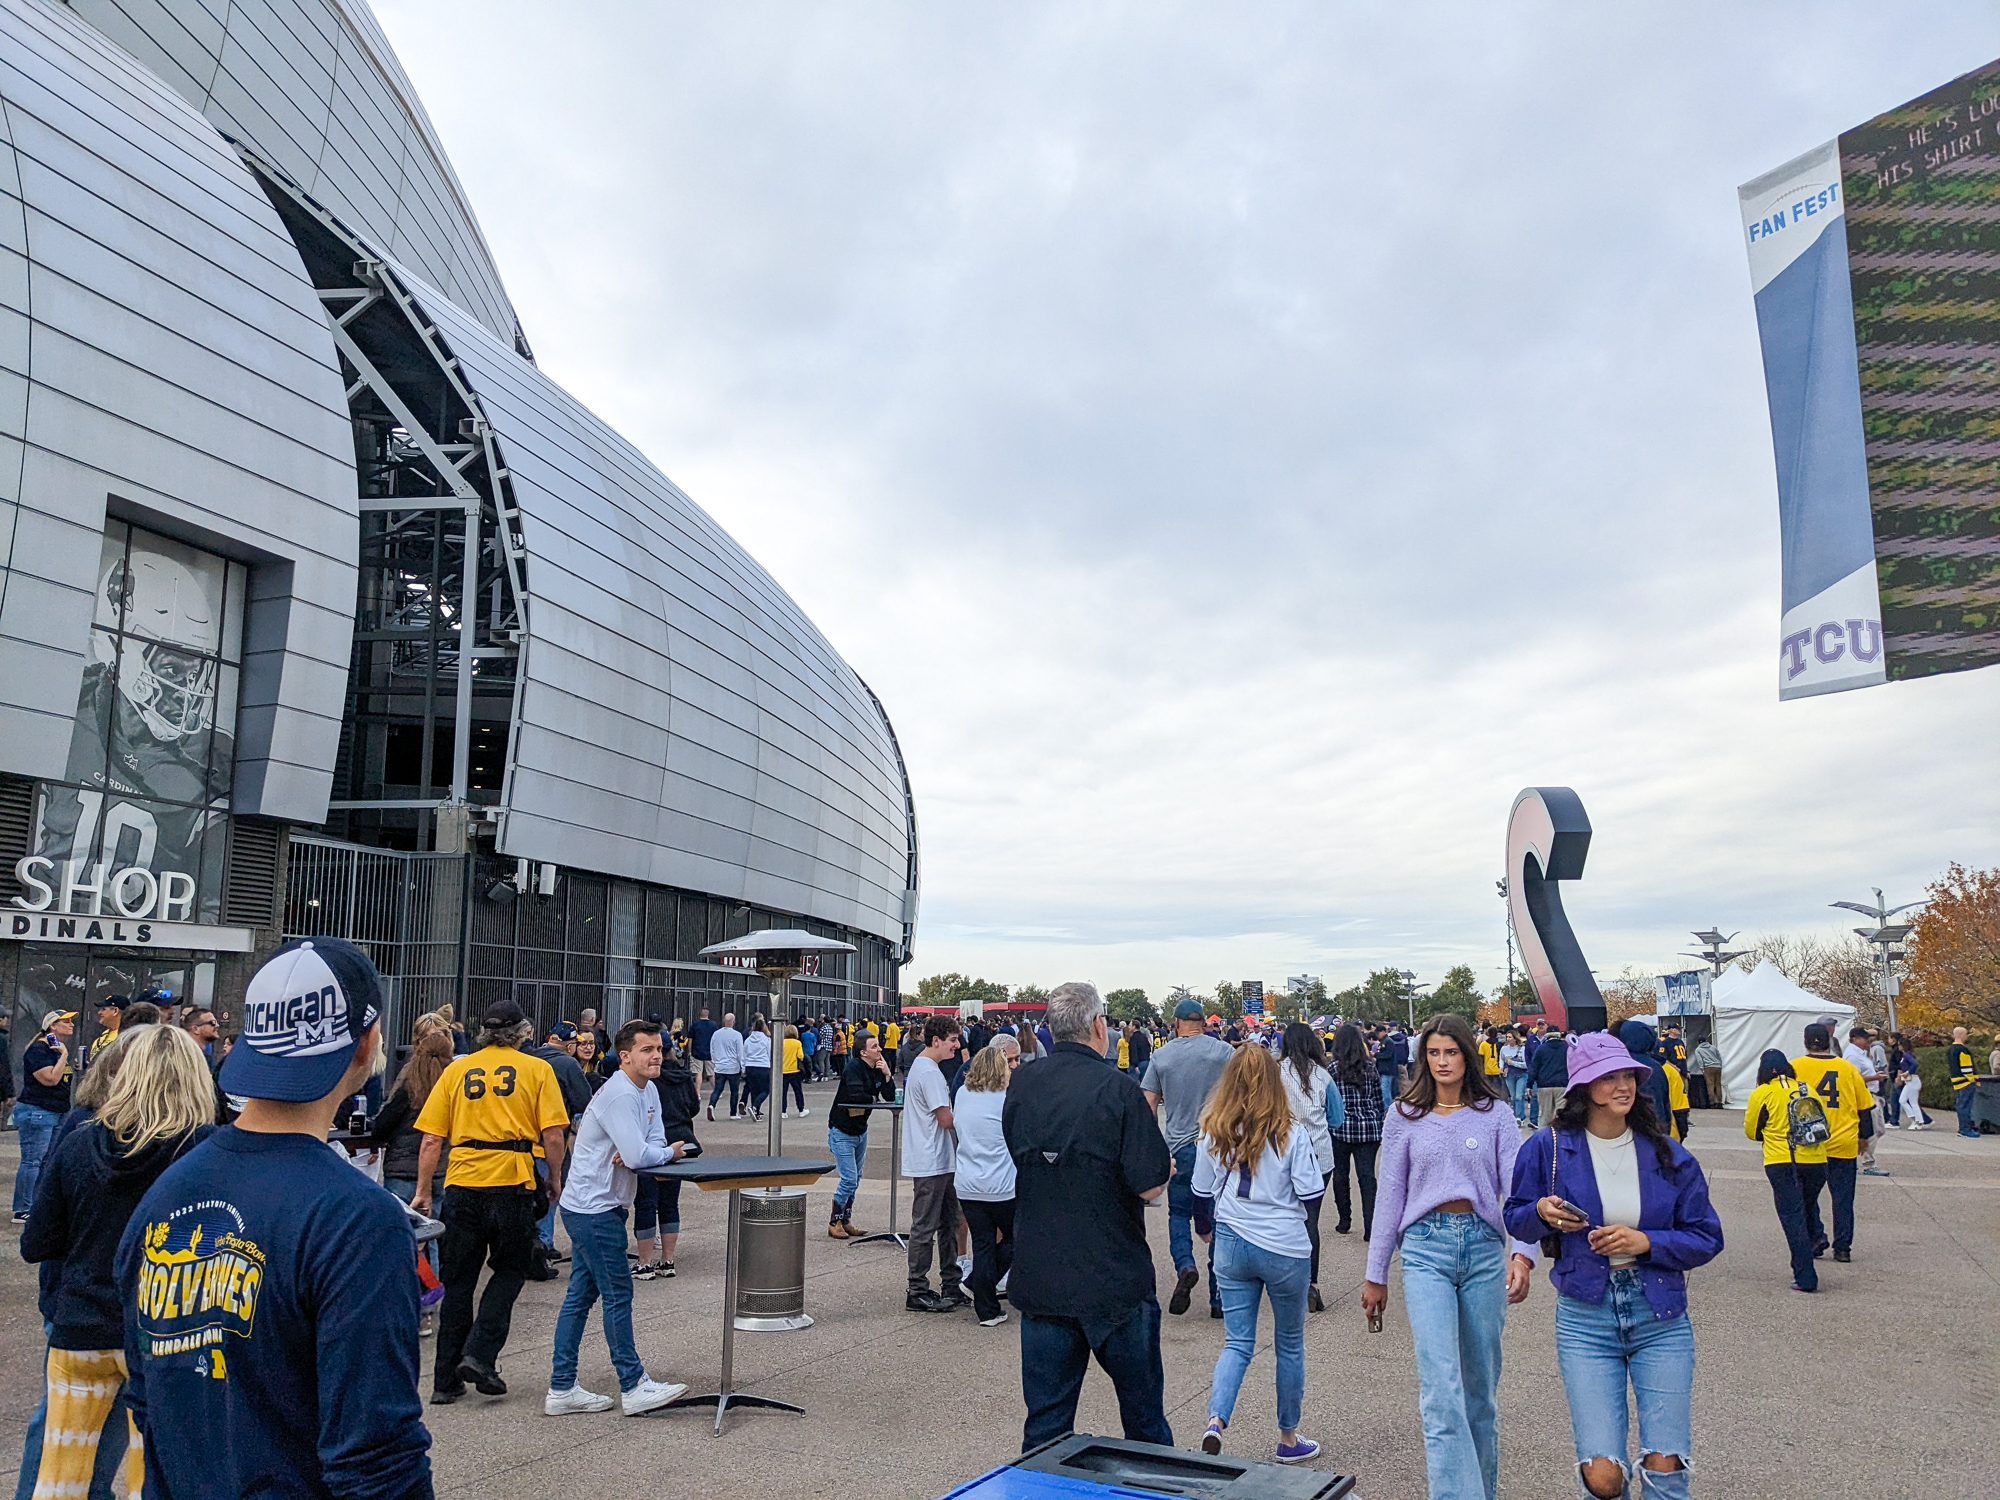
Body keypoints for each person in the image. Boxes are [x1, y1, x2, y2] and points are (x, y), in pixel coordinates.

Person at [115, 938, 433, 1500]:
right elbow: (377, 1453)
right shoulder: (357, 1219)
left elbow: (151, 1398)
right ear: (366, 1043)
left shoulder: (168, 1192)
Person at [1506, 1031, 1721, 1500]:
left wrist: (1648, 1242)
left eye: (1628, 1076)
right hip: (1586, 1319)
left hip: (1660, 1317)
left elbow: (1707, 1236)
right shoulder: (1548, 1147)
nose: (1623, 1086)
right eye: (1608, 1077)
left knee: (1665, 1463)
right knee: (1602, 1476)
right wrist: (1541, 1212)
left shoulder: (1667, 1153)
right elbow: (1515, 1216)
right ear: (1584, 1087)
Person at [22, 1025, 215, 1498]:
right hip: (162, 1333)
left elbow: (36, 1243)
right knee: (149, 1477)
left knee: (60, 1475)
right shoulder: (204, 1151)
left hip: (80, 1327)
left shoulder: (78, 1141)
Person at [1362, 1014, 1536, 1500]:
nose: (1442, 1062)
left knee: (1480, 1393)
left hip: (1482, 1248)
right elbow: (1390, 1195)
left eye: (1451, 1052)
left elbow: (1516, 1189)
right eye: (1434, 1053)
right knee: (1441, 1392)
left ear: (1467, 1055)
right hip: (1425, 1250)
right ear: (1423, 1058)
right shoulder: (1403, 1115)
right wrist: (1376, 1273)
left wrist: (1523, 1253)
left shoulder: (1495, 1113)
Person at [1003, 981, 1173, 1451]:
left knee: (1046, 1426)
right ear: (1099, 1025)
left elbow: (1020, 1153)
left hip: (1041, 1273)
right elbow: (1149, 1184)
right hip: (1112, 1277)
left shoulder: (1023, 1083)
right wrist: (1164, 1167)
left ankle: (1041, 1483)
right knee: (1144, 1421)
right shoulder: (1119, 1089)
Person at [412, 999, 569, 1404]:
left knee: (459, 1281)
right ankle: (481, 1354)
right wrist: (553, 1178)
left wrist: (424, 1190)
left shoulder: (456, 1070)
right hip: (511, 1180)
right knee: (510, 1269)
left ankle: (444, 1381)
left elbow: (431, 1138)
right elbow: (553, 1134)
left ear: (483, 1033)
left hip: (463, 1181)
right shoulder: (536, 1069)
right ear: (521, 1033)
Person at [545, 1018, 690, 1417]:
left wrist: (646, 1152)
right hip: (593, 1209)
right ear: (624, 1056)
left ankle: (562, 1387)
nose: (657, 1056)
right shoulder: (621, 1094)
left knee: (581, 1296)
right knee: (617, 1293)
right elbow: (647, 1153)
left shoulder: (647, 1090)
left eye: (658, 1049)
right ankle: (633, 1384)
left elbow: (648, 1145)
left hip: (598, 1206)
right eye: (647, 1050)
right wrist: (665, 1154)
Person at [1191, 1045, 1326, 1465]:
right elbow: (1311, 1193)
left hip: (1232, 1239)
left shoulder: (1213, 1129)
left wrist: (1205, 1228)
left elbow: (1200, 1192)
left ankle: (1216, 1421)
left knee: (1237, 1342)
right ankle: (1288, 1437)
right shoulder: (1291, 1132)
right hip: (1283, 1246)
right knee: (1289, 1344)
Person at [1141, 997, 1235, 1318]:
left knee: (1179, 1214)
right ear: (1203, 1023)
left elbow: (1148, 1103)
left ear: (1177, 1023)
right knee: (1218, 1217)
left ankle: (1185, 1264)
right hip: (1218, 1144)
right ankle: (1218, 1295)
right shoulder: (1223, 1052)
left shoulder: (1161, 1056)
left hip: (1180, 1147)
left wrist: (1152, 1147)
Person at [372, 1029, 456, 1328]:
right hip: (442, 1170)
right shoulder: (454, 1083)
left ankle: (400, 1301)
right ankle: (428, 1307)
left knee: (398, 1237)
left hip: (403, 1169)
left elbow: (383, 1124)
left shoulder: (410, 1083)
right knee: (431, 1238)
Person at [1742, 1049, 1830, 1292]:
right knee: (1807, 1204)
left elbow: (1751, 1130)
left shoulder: (1762, 1092)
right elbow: (1825, 1123)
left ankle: (1805, 1276)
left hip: (1782, 1160)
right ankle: (1816, 1237)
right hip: (1816, 1160)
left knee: (1792, 1217)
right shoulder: (1806, 1089)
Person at [1791, 1023, 1873, 1263]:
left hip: (1810, 1142)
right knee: (1843, 1198)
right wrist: (1863, 1137)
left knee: (1806, 1197)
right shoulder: (1847, 1068)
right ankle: (1843, 1247)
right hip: (1843, 1140)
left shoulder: (1795, 1067)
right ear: (1829, 1041)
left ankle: (1815, 1238)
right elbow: (1864, 1107)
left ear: (1805, 1042)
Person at [903, 1015, 968, 1312]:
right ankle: (917, 1289)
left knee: (947, 1222)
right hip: (931, 1159)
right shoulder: (929, 1072)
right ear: (936, 1040)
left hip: (938, 1158)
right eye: (952, 1040)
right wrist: (974, 1119)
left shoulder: (924, 1068)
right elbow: (945, 1119)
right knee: (927, 1226)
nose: (957, 1045)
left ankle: (951, 1283)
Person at [955, 1036, 1020, 1326]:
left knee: (982, 1243)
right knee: (1016, 1238)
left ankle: (986, 1308)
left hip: (968, 1182)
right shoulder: (1006, 1098)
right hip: (1001, 1184)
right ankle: (981, 1285)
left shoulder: (962, 1094)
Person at [1276, 1022, 1335, 1312]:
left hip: (1282, 1153)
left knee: (1285, 1218)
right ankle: (1311, 1283)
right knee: (1310, 1220)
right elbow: (1337, 1117)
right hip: (1319, 1155)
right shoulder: (1323, 1075)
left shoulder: (1276, 1073)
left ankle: (1286, 1280)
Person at [530, 1022, 596, 1278]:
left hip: (521, 1140)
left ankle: (536, 1243)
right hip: (551, 1138)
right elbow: (584, 1101)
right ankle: (542, 1245)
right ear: (570, 1046)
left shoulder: (529, 1058)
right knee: (550, 1191)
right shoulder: (568, 1065)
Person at [632, 1033, 699, 1279]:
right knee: (670, 1202)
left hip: (652, 1143)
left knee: (646, 1202)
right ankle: (667, 1260)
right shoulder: (682, 1076)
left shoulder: (647, 1081)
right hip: (680, 1142)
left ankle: (644, 1263)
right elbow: (694, 1107)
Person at [827, 1029, 897, 1238]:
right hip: (842, 1130)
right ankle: (834, 1221)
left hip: (860, 1130)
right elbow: (856, 1095)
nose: (880, 1049)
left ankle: (846, 1219)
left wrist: (887, 1074)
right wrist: (873, 1098)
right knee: (849, 1179)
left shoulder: (878, 1067)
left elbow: (890, 1096)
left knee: (856, 1178)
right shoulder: (854, 1068)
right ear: (863, 1052)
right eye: (874, 1047)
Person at [12, 1010, 74, 1223]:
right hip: (38, 1110)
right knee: (33, 1160)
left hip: (57, 1109)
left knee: (48, 1160)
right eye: (65, 1021)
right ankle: (22, 1208)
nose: (71, 1024)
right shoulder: (39, 1049)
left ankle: (38, 1204)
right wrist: (64, 1055)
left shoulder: (56, 1048)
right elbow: (50, 1079)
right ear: (52, 1026)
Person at [1327, 1022, 1384, 1240]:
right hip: (1368, 1129)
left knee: (1340, 1175)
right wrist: (1378, 1120)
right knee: (1367, 1177)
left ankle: (1345, 1220)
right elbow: (1378, 1099)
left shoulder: (1332, 1069)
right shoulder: (1370, 1067)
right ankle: (1370, 1226)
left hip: (1341, 1128)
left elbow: (1329, 1101)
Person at [1843, 1026, 1888, 1176]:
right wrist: (1875, 1077)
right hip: (1865, 1095)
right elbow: (1853, 1079)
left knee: (1879, 1129)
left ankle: (1856, 1158)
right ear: (1854, 1039)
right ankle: (1868, 1163)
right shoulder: (1852, 1056)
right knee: (1872, 1130)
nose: (1867, 1041)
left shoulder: (1860, 1053)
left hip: (1872, 1093)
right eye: (1863, 1038)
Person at [1527, 1030, 1569, 1131]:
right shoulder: (1567, 1048)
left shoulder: (1541, 1048)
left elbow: (1534, 1068)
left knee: (1545, 1115)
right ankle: (1561, 1136)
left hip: (1544, 1085)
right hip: (1562, 1085)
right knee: (1561, 1115)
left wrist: (1529, 1084)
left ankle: (1544, 1136)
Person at [707, 1011, 743, 1120]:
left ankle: (711, 1105)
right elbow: (740, 1053)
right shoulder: (737, 1035)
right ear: (733, 1021)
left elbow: (712, 1049)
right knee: (734, 1091)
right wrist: (742, 1066)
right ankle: (733, 1113)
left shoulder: (716, 1034)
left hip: (720, 1066)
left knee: (718, 1089)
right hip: (733, 1067)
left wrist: (715, 1061)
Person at [1947, 1026, 1980, 1137]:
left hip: (1956, 1081)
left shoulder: (1950, 1050)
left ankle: (1963, 1127)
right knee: (1966, 1106)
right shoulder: (1963, 1050)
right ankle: (1965, 1129)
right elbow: (1966, 1068)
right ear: (1961, 1035)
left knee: (1960, 1105)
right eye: (1966, 1034)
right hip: (1966, 1082)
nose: (1966, 1037)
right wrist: (1973, 1079)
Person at [1893, 1033, 1931, 1129]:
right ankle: (1917, 1120)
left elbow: (1914, 1064)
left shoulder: (1906, 1055)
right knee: (1907, 1101)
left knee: (1908, 1101)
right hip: (1910, 1080)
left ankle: (1917, 1121)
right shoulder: (1905, 1055)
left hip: (1912, 1080)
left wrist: (1907, 1072)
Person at [741, 1015, 773, 1122]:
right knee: (766, 1090)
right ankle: (755, 1107)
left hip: (750, 1066)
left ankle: (756, 1112)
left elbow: (744, 1055)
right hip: (763, 1066)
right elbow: (769, 1053)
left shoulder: (748, 1040)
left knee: (754, 1090)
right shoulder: (767, 1040)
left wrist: (743, 1068)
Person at [85, 994, 128, 1070]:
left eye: (103, 1009)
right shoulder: (101, 1038)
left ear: (115, 1011)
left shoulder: (126, 1037)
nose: (99, 1012)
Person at [780, 1023, 808, 1116]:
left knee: (783, 1092)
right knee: (798, 1091)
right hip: (794, 1070)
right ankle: (801, 1110)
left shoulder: (781, 1042)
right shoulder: (797, 1043)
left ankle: (783, 1111)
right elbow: (800, 1056)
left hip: (783, 1070)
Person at [1690, 1035, 1722, 1110]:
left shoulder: (1698, 1050)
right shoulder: (1713, 1047)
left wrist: (1702, 1069)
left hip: (1708, 1067)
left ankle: (1712, 1103)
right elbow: (1719, 1057)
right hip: (1717, 1067)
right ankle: (1719, 1102)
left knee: (1710, 1085)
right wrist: (1719, 1065)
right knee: (1718, 1084)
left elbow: (1700, 1060)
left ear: (1698, 1042)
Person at [690, 1007, 717, 1086]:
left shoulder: (695, 1024)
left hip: (697, 1052)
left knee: (698, 1073)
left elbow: (690, 1039)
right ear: (708, 1014)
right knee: (711, 1073)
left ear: (700, 1014)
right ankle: (716, 1090)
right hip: (710, 1052)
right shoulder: (713, 1025)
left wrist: (689, 1051)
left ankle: (697, 1091)